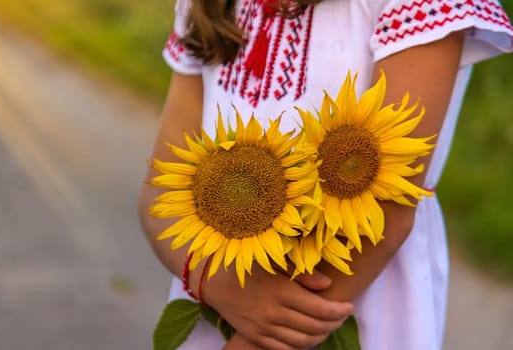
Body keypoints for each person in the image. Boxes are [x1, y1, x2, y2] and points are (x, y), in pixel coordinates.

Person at [138, 0, 513, 349]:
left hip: (352, 286)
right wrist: (215, 283)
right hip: (218, 284)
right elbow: (160, 194)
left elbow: (390, 208)